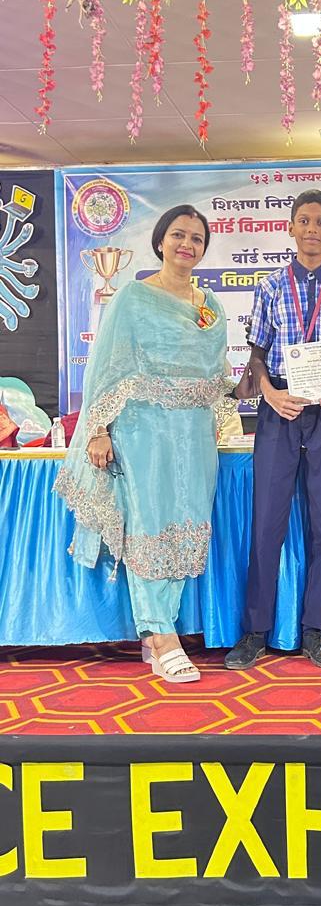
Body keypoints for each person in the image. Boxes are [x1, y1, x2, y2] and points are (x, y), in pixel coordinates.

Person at [55, 205, 228, 683]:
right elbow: (106, 367)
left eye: (196, 238)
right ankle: (162, 633)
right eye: (178, 235)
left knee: (188, 526)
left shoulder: (210, 305)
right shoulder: (132, 298)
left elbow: (215, 372)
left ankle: (156, 634)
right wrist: (97, 429)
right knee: (150, 524)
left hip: (195, 432)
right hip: (143, 429)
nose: (187, 244)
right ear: (160, 241)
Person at [225, 189, 321, 671]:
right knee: (267, 522)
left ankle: (316, 630)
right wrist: (268, 393)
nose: (312, 229)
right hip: (278, 407)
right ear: (290, 228)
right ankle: (255, 631)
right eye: (304, 221)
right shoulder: (270, 287)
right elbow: (257, 355)